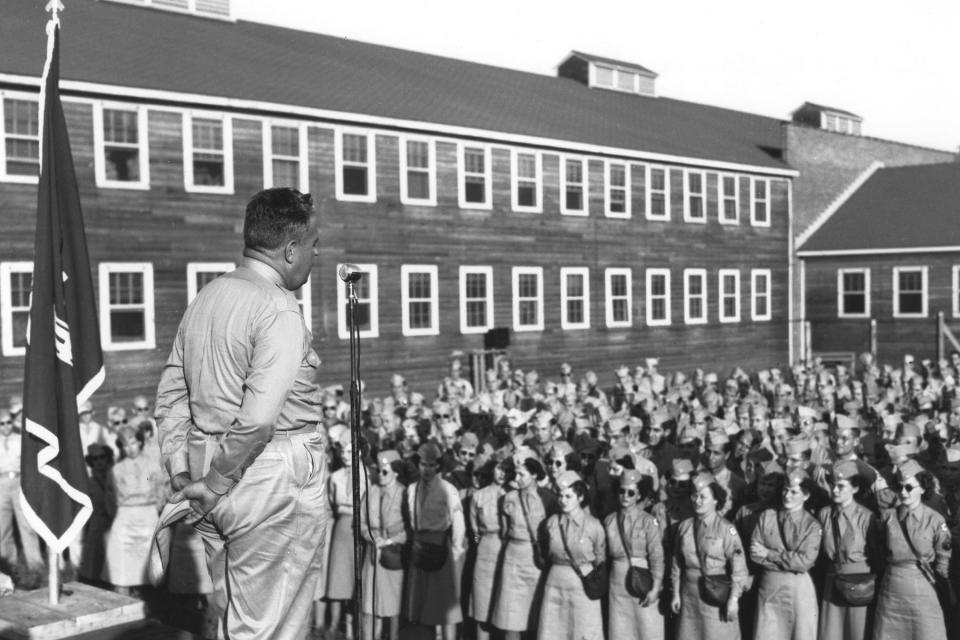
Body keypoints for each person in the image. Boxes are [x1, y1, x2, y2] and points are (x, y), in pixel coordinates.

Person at [155, 187, 326, 639]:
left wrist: (181, 472)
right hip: (265, 480)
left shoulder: (206, 298)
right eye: (313, 244)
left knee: (235, 619)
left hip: (209, 470)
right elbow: (257, 422)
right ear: (290, 249)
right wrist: (212, 485)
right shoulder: (278, 308)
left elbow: (170, 396)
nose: (315, 254)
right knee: (271, 628)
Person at [873, 459, 951, 640]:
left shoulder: (934, 520)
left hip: (923, 586)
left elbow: (943, 556)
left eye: (909, 487)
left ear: (923, 489)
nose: (903, 492)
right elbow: (878, 547)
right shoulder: (887, 517)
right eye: (900, 487)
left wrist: (941, 582)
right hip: (892, 589)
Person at [670, 474, 748, 640]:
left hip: (714, 594)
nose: (697, 501)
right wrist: (676, 593)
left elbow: (739, 568)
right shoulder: (684, 527)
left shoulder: (726, 529)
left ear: (715, 500)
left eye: (703, 497)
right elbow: (677, 563)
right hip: (689, 596)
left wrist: (734, 599)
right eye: (694, 496)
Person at [749, 468, 822, 640]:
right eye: (785, 490)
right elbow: (755, 553)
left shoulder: (812, 525)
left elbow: (804, 562)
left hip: (799, 589)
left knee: (800, 633)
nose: (787, 496)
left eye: (794, 492)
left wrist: (771, 554)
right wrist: (788, 558)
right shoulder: (767, 516)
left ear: (806, 495)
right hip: (770, 587)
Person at [404, 442, 466, 640]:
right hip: (418, 545)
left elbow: (458, 522)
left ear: (438, 466)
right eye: (423, 464)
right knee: (422, 604)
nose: (427, 469)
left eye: (432, 465)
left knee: (444, 604)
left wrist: (456, 550)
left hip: (440, 546)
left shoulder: (449, 489)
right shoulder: (412, 489)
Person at [491, 451, 553, 639]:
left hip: (536, 559)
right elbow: (503, 531)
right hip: (513, 557)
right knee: (511, 613)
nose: (517, 479)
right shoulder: (509, 498)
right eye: (515, 474)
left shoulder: (548, 499)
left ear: (534, 475)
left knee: (535, 611)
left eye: (522, 474)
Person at [537, 470, 605, 640]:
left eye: (568, 496)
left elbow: (600, 557)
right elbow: (545, 551)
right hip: (555, 581)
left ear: (580, 498)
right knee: (554, 630)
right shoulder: (551, 523)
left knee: (584, 630)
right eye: (560, 496)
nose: (563, 501)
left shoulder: (593, 525)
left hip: (583, 583)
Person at [818, 460, 881, 640]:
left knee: (856, 632)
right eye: (833, 485)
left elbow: (876, 555)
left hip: (860, 582)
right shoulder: (825, 514)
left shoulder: (866, 517)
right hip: (833, 579)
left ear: (855, 489)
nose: (835, 490)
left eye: (841, 486)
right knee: (832, 632)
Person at [101, 425, 163, 595]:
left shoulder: (153, 465)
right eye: (125, 444)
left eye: (134, 442)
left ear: (140, 442)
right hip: (125, 517)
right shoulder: (116, 470)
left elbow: (161, 491)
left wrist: (153, 511)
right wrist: (119, 514)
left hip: (148, 516)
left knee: (148, 569)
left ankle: (150, 608)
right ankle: (124, 608)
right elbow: (109, 497)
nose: (130, 448)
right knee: (121, 571)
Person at [605, 469, 665, 640]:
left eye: (631, 492)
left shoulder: (648, 521)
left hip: (642, 582)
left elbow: (657, 557)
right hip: (616, 584)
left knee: (646, 630)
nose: (625, 496)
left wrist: (655, 588)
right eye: (621, 491)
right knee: (619, 631)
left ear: (639, 495)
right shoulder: (609, 521)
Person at [360, 450, 406, 640]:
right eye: (378, 470)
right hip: (372, 552)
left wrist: (389, 541)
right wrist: (371, 537)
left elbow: (409, 530)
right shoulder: (371, 491)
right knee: (368, 604)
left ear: (396, 471)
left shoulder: (404, 493)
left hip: (393, 554)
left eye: (385, 471)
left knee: (392, 604)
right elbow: (361, 522)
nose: (380, 475)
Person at [326, 427, 367, 638]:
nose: (346, 455)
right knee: (338, 575)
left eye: (351, 450)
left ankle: (355, 625)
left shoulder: (368, 475)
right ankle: (333, 625)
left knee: (357, 577)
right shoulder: (335, 477)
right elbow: (333, 503)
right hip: (342, 527)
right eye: (343, 450)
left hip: (361, 527)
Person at [0, 409, 43, 577]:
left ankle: (36, 568)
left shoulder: (20, 440)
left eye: (8, 422)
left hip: (18, 482)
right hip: (1, 485)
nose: (5, 427)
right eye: (1, 424)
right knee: (2, 529)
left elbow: (30, 462)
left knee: (27, 526)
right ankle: (8, 569)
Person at [468, 456, 507, 640]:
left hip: (508, 550)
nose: (502, 473)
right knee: (482, 605)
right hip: (485, 548)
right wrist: (480, 542)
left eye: (506, 469)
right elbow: (474, 528)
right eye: (499, 468)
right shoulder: (479, 496)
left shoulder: (513, 495)